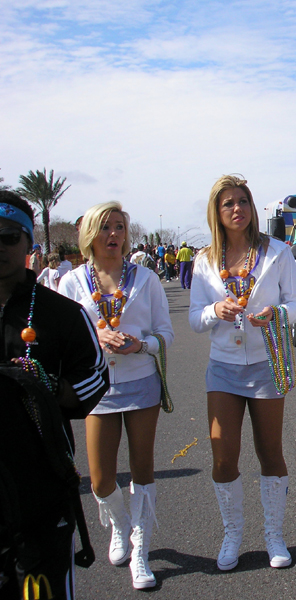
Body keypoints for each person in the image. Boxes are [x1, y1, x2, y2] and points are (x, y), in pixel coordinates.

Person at [189, 174, 296, 572]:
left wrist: (278, 315)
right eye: (228, 204)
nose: (237, 209)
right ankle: (232, 534)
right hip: (223, 367)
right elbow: (193, 318)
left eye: (243, 201)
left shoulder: (278, 252)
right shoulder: (203, 260)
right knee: (223, 455)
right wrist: (213, 312)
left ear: (252, 208)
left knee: (270, 451)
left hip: (266, 364)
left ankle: (274, 535)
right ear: (217, 213)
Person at [0, 190, 109, 600]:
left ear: (30, 244)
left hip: (39, 490)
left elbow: (95, 378)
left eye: (9, 236)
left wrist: (45, 385)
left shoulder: (62, 314)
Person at [59, 201, 174, 589]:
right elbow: (64, 338)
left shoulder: (146, 279)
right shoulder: (72, 282)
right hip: (97, 388)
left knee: (142, 469)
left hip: (142, 383)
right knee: (100, 478)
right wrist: (96, 336)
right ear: (91, 234)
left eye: (120, 227)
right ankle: (121, 524)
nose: (114, 235)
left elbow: (166, 334)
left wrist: (140, 346)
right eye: (106, 227)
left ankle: (140, 550)